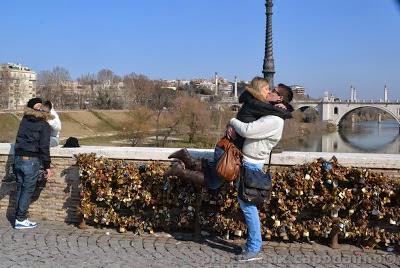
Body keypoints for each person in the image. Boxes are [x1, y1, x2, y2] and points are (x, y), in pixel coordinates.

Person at [13, 97, 52, 229]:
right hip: (31, 160)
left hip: (18, 157)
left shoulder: (24, 121)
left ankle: (18, 216)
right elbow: (44, 147)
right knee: (28, 189)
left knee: (20, 187)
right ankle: (21, 219)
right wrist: (47, 166)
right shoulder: (44, 125)